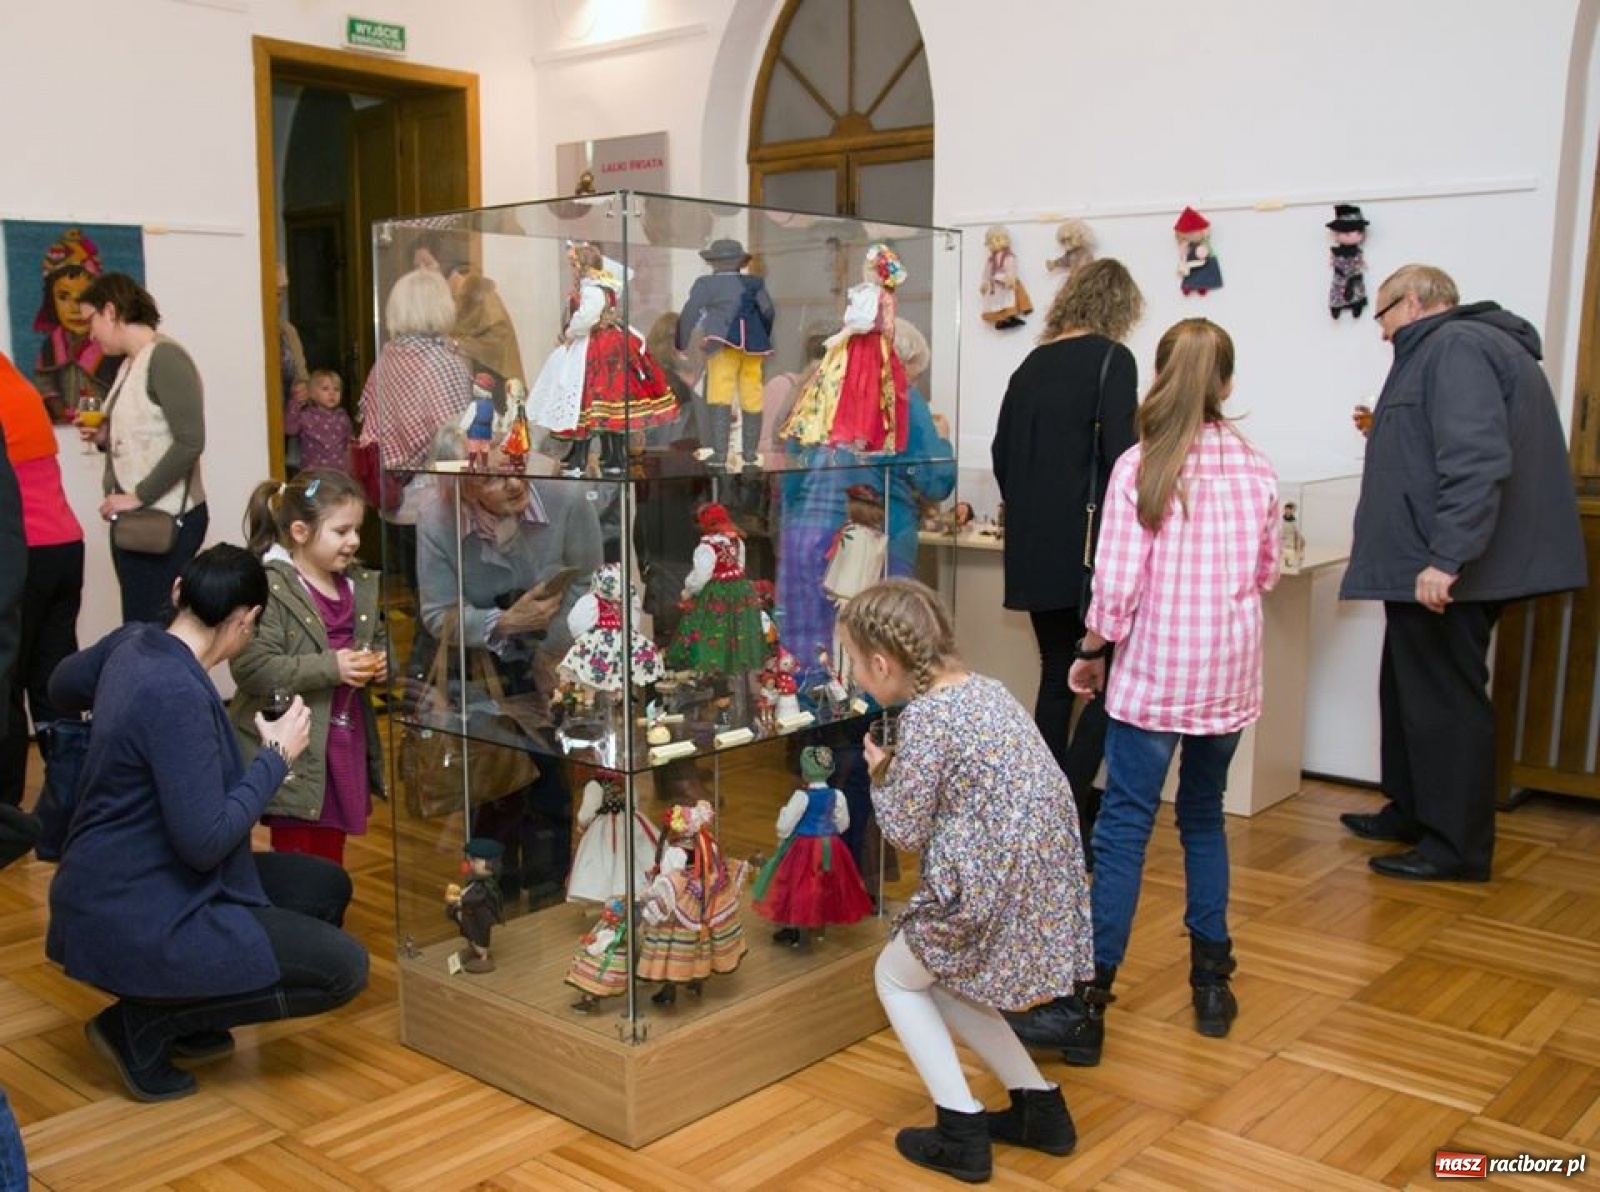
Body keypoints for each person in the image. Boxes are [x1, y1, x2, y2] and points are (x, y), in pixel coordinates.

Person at [1023, 319, 1277, 1066]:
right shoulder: (1257, 469)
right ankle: (1210, 982)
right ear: (1225, 384)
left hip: (1155, 674)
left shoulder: (1141, 467)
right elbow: (1264, 574)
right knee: (1203, 819)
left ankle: (1088, 1005)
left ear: (1163, 376)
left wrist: (1093, 651)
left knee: (1125, 828)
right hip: (1227, 673)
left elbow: (1116, 587)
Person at [46, 544, 368, 1102]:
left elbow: (60, 686)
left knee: (323, 887)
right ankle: (140, 1025)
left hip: (115, 879)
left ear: (178, 595)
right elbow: (206, 842)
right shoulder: (176, 696)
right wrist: (276, 757)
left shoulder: (135, 643)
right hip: (136, 906)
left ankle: (188, 1012)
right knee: (344, 970)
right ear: (245, 620)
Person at [1339, 264, 1586, 881]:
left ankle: (1454, 847)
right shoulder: (1456, 348)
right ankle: (1412, 811)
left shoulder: (1456, 345)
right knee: (1407, 691)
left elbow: (1477, 462)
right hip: (1422, 563)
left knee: (1444, 703)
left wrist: (1447, 559)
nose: (1382, 331)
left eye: (1384, 313)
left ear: (1415, 301)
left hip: (1448, 567)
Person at [840, 578, 1092, 1182]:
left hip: (988, 885)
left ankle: (961, 1129)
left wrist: (880, 773)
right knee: (949, 981)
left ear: (882, 664)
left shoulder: (926, 719)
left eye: (854, 664)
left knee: (896, 979)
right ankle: (1040, 1108)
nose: (854, 675)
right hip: (1042, 877)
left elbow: (903, 828)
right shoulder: (986, 692)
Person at [991, 258, 1143, 855]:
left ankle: (1043, 815)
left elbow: (1004, 455)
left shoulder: (1031, 364)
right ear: (1120, 310)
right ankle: (1070, 808)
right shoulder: (1114, 360)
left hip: (1035, 547)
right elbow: (1123, 461)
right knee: (1110, 686)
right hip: (1091, 552)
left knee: (1057, 677)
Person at [414, 444, 604, 903]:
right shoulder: (438, 518)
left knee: (549, 780)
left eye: (516, 469)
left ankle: (551, 890)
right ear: (463, 485)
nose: (515, 483)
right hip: (476, 655)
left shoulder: (566, 499)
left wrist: (552, 649)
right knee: (491, 779)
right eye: (494, 479)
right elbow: (438, 614)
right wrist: (502, 624)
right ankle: (489, 897)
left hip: (554, 648)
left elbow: (588, 580)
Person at [231, 471, 386, 866]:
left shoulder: (357, 586)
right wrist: (331, 667)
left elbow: (375, 639)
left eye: (357, 530)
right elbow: (253, 668)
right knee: (300, 855)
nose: (353, 540)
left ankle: (324, 917)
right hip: (296, 749)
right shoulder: (271, 588)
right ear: (300, 531)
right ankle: (304, 922)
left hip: (343, 741)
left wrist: (384, 664)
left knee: (332, 852)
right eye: (341, 531)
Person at [75, 272, 209, 625]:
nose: (90, 334)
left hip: (165, 518)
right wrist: (105, 436)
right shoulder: (131, 363)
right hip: (142, 521)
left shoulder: (165, 358)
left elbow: (191, 440)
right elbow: (148, 433)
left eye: (90, 321)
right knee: (140, 624)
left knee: (150, 629)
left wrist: (138, 496)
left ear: (110, 311)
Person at [0, 353, 84, 808]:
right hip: (65, 543)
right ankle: (68, 802)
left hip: (22, 552)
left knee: (7, 682)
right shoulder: (17, 382)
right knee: (53, 683)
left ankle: (7, 808)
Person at [527, 242, 678, 478]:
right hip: (604, 344)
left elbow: (586, 318)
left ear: (582, 265)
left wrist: (570, 331)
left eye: (574, 264)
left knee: (586, 402)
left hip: (596, 347)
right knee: (602, 407)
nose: (573, 269)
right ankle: (611, 456)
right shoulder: (604, 285)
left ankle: (589, 458)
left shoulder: (593, 289)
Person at [676, 238, 776, 468]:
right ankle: (750, 453)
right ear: (740, 262)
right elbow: (768, 311)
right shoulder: (755, 283)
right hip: (754, 344)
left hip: (721, 343)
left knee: (720, 392)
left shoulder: (706, 284)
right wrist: (762, 335)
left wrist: (681, 342)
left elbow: (690, 312)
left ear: (714, 263)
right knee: (752, 393)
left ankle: (720, 454)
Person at [31, 231, 121, 424]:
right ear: (51, 302)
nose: (75, 308)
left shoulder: (111, 343)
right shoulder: (52, 345)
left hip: (106, 426)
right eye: (63, 297)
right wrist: (58, 409)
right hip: (68, 424)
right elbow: (44, 382)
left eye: (83, 297)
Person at [446, 261, 526, 389]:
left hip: (495, 378)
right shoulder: (447, 298)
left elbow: (498, 336)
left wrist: (458, 345)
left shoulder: (481, 294)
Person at [284, 369, 353, 473]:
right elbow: (290, 429)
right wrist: (295, 403)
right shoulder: (306, 416)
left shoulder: (342, 416)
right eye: (325, 389)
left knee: (338, 489)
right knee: (312, 490)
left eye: (336, 389)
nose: (332, 393)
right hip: (313, 473)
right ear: (312, 394)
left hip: (339, 473)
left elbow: (350, 441)